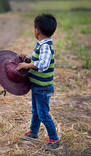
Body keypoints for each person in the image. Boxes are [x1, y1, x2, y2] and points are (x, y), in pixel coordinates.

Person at [16, 13, 59, 150]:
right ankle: (33, 132)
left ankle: (54, 139)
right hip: (37, 86)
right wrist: (27, 59)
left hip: (42, 88)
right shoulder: (42, 44)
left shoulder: (45, 46)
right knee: (36, 110)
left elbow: (44, 64)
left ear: (36, 30)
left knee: (43, 114)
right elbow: (37, 61)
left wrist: (26, 66)